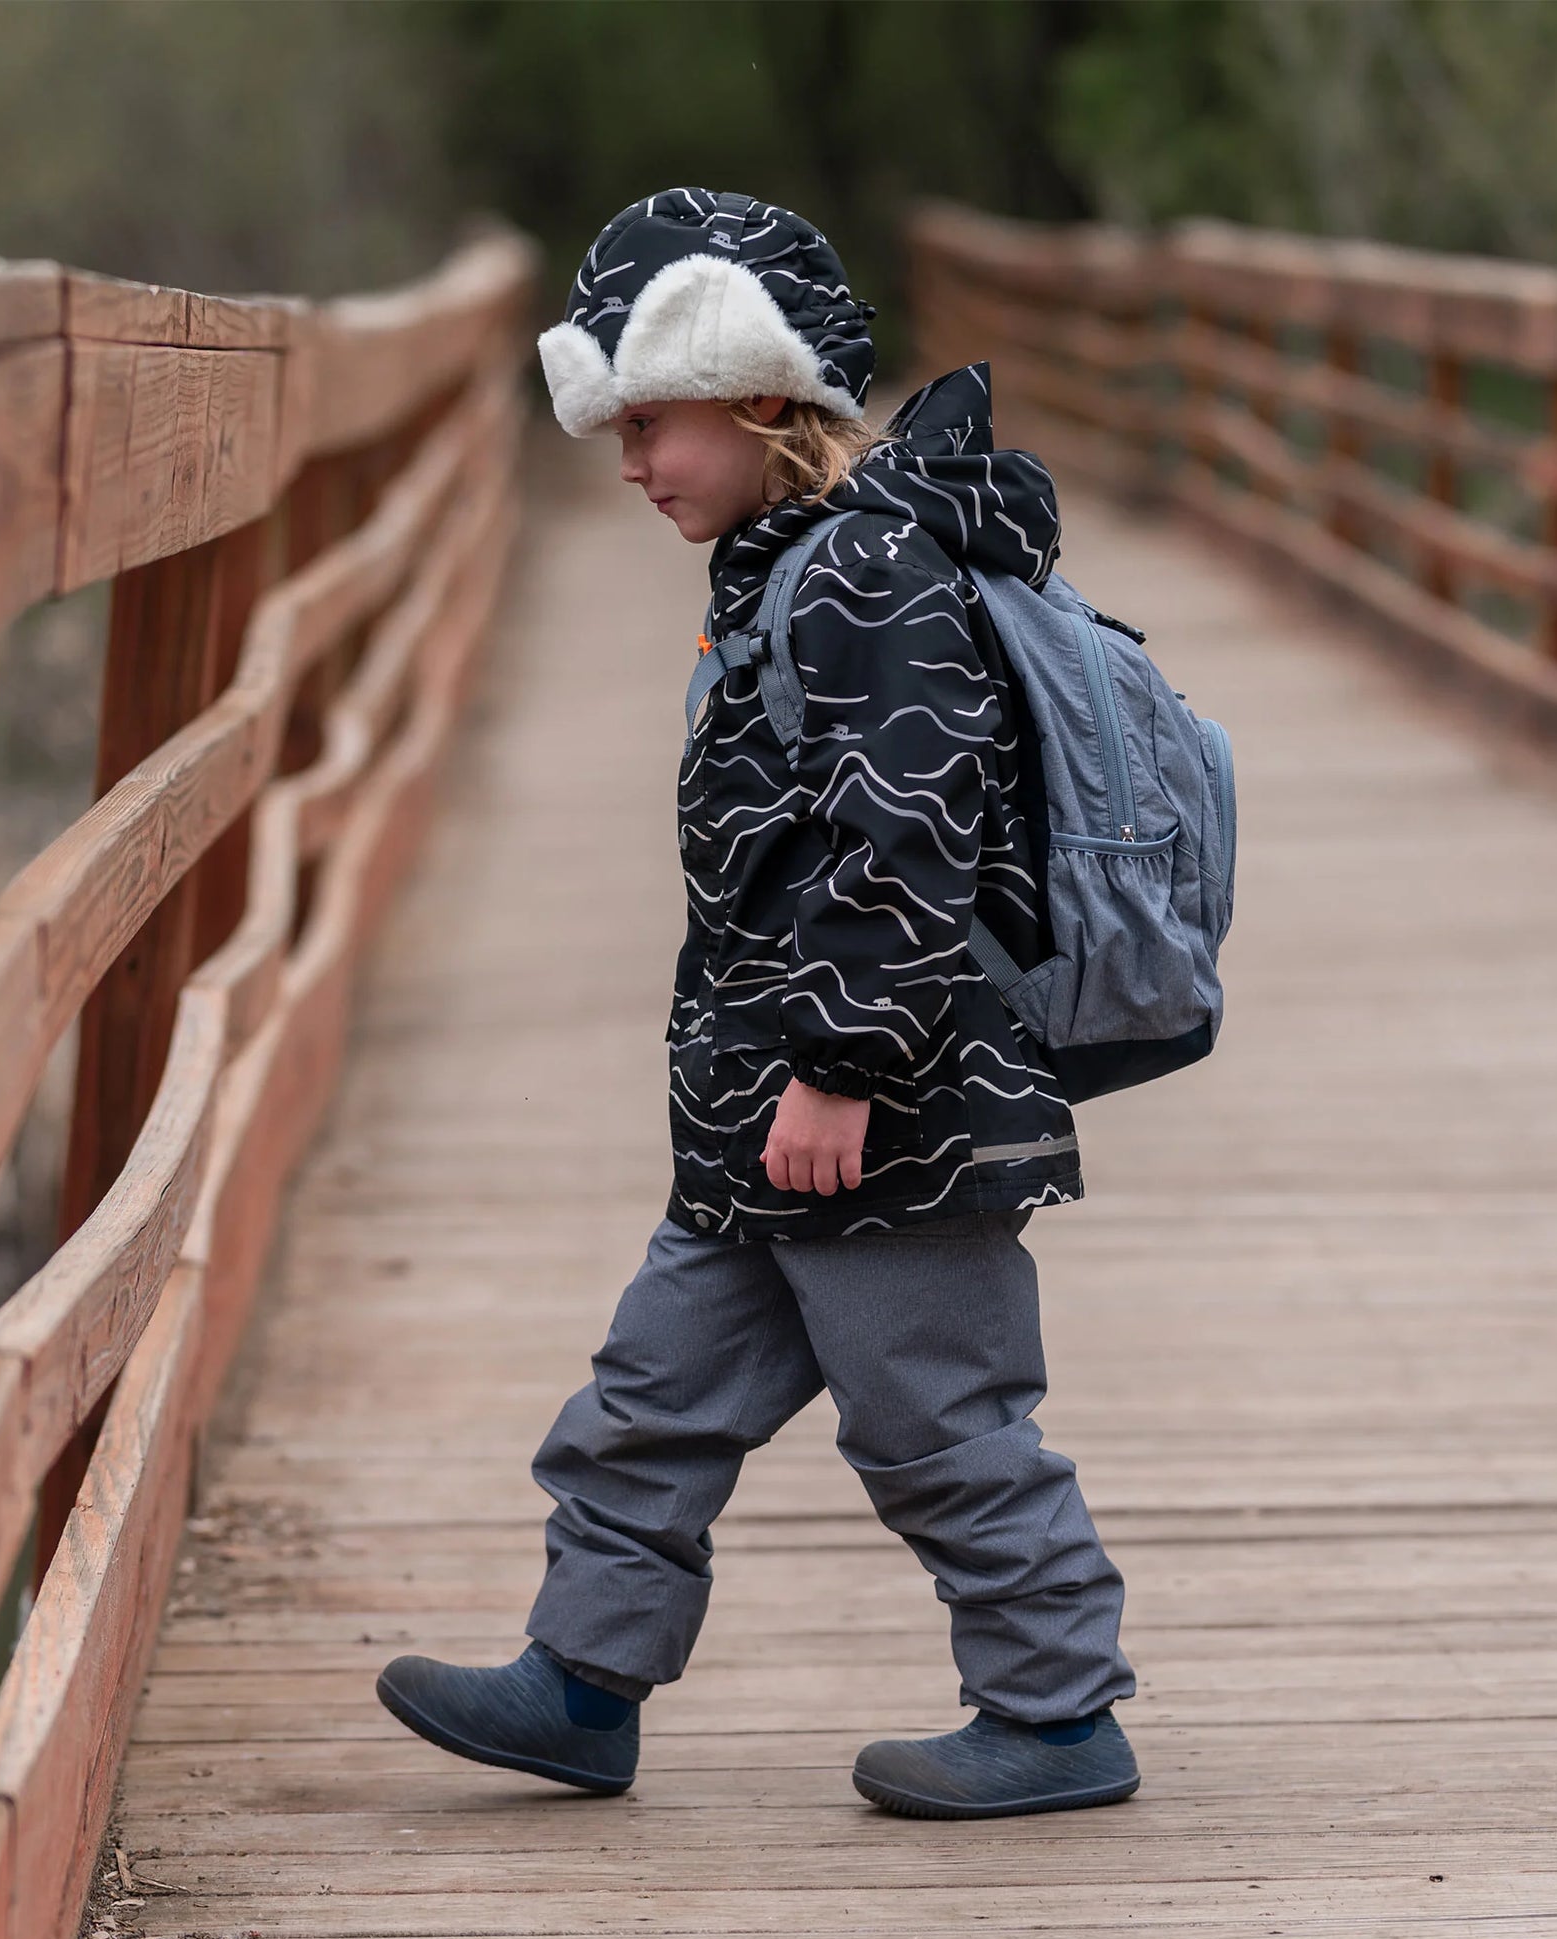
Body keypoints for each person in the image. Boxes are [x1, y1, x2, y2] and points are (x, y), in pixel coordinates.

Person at [375, 187, 1138, 1819]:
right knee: (644, 1403)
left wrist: (841, 1065)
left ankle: (1058, 1714)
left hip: (891, 1114)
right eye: (618, 431)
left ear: (757, 396)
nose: (631, 462)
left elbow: (910, 834)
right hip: (757, 1116)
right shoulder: (787, 566)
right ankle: (582, 1685)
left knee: (939, 1420)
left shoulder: (867, 572)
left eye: (650, 423)